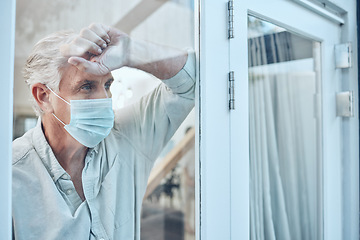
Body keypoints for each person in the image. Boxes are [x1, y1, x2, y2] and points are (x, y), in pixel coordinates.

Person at [12, 23, 195, 240]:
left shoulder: (127, 137)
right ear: (43, 96)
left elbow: (191, 83)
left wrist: (131, 51)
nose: (104, 100)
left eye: (107, 85)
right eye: (87, 86)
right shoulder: (11, 175)